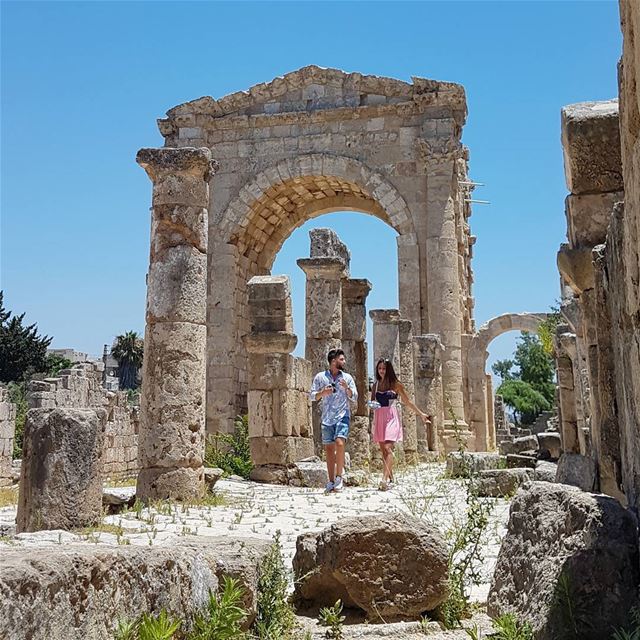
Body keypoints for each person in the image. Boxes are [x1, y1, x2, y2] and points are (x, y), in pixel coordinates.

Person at [371, 357, 431, 491]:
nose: (381, 371)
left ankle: (384, 480)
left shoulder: (396, 384)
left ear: (389, 369)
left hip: (391, 417)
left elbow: (407, 401)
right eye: (379, 368)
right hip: (380, 417)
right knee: (383, 451)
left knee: (387, 448)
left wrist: (421, 414)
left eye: (384, 369)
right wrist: (373, 405)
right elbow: (372, 402)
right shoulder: (375, 385)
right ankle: (391, 477)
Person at [309, 348, 358, 493]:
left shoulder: (347, 378)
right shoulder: (320, 377)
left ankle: (339, 477)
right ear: (333, 361)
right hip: (327, 418)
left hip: (342, 415)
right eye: (341, 359)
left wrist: (347, 388)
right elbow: (312, 396)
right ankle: (330, 481)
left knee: (340, 443)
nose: (344, 361)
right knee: (329, 449)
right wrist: (322, 393)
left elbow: (354, 397)